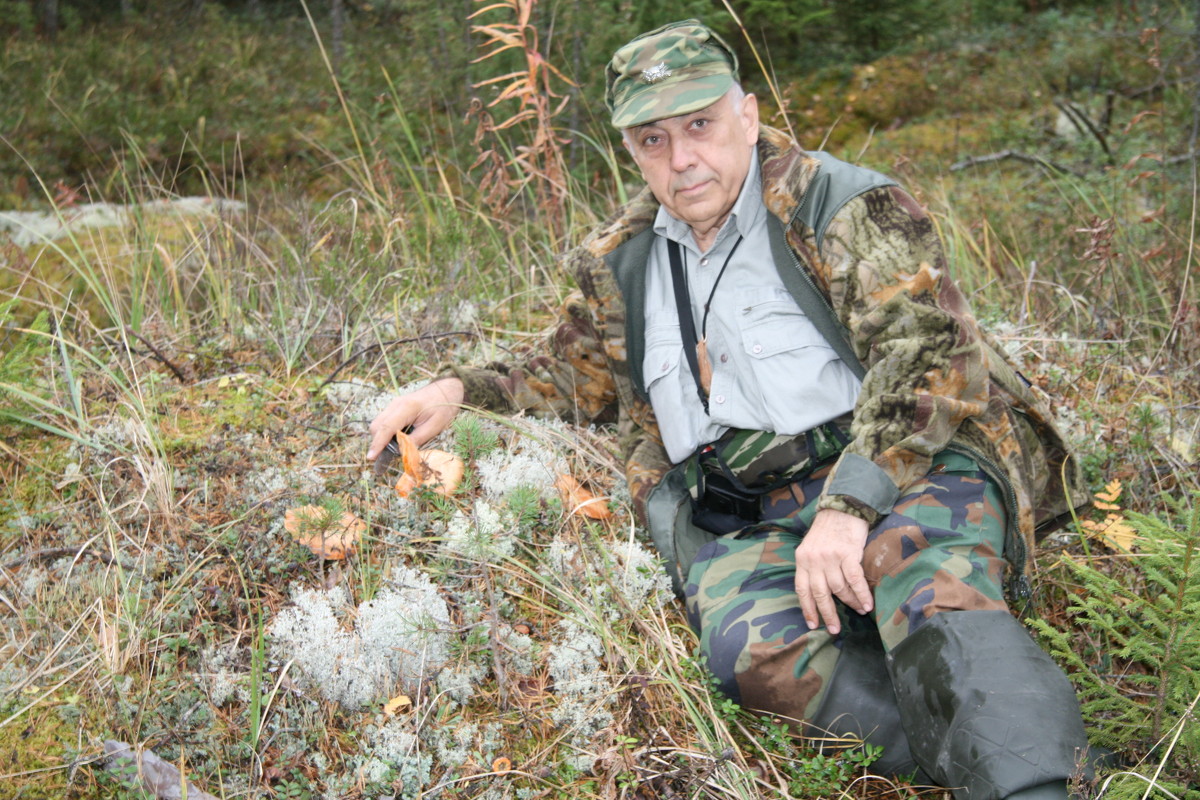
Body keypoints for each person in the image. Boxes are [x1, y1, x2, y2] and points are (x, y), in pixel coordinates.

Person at [368, 20, 1095, 799]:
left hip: (896, 465)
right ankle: (964, 761)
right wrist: (451, 391)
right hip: (746, 508)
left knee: (924, 592)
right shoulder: (622, 259)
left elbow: (928, 360)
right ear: (631, 149)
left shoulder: (846, 208)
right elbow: (570, 374)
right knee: (757, 661)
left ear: (746, 116)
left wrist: (850, 510)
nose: (683, 159)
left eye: (701, 125)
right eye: (653, 139)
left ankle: (1031, 787)